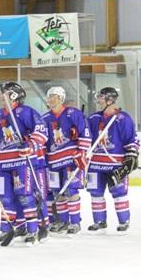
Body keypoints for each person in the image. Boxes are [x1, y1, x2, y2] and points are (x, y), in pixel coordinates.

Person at [0, 82, 48, 245]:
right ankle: (7, 229)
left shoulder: (26, 111)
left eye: (5, 94)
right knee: (5, 198)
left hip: (22, 162)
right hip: (3, 164)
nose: (1, 97)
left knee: (24, 196)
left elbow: (42, 131)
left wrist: (31, 145)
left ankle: (32, 230)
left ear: (14, 95)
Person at [86, 87, 139, 233]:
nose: (98, 100)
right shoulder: (93, 118)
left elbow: (132, 139)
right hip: (95, 164)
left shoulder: (123, 118)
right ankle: (99, 221)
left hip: (115, 164)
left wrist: (131, 156)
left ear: (110, 100)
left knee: (119, 193)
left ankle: (124, 221)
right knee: (95, 193)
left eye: (101, 97)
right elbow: (84, 136)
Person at [41, 86, 91, 235]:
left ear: (61, 98)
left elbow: (85, 133)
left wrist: (81, 152)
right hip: (53, 162)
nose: (51, 99)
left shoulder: (73, 113)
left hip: (71, 160)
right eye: (50, 96)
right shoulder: (44, 118)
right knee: (58, 192)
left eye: (55, 96)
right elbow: (42, 141)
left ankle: (75, 222)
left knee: (71, 190)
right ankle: (63, 221)